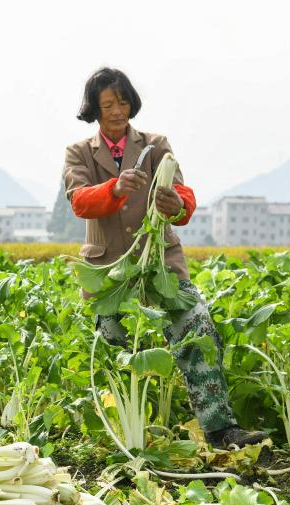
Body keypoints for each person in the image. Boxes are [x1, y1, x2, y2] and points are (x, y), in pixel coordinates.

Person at [63, 67, 266, 449]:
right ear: (94, 109)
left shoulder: (156, 145)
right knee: (112, 346)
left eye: (123, 102)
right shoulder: (79, 153)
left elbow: (184, 199)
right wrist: (116, 187)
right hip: (110, 271)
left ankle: (221, 429)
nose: (117, 111)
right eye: (107, 104)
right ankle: (126, 437)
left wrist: (176, 203)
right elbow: (80, 201)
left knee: (196, 324)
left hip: (161, 265)